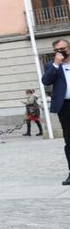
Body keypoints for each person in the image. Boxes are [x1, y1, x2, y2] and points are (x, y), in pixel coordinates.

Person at [42, 38, 70, 185]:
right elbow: (46, 81)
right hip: (65, 107)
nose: (60, 52)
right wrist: (56, 64)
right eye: (57, 50)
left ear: (69, 48)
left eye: (62, 49)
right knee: (69, 140)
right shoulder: (51, 66)